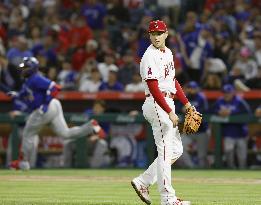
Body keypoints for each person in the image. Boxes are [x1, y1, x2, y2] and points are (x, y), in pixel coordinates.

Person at [131, 20, 194, 205]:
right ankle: (168, 199)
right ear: (149, 35)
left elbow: (172, 81)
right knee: (166, 151)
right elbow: (154, 87)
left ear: (166, 34)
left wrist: (187, 103)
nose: (156, 37)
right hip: (157, 103)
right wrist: (169, 111)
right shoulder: (149, 56)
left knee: (176, 150)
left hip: (168, 101)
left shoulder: (168, 53)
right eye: (153, 33)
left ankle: (143, 181)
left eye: (159, 33)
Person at [8, 57, 105, 170]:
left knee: (27, 134)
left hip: (44, 108)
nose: (23, 70)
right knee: (66, 134)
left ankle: (23, 162)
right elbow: (25, 93)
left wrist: (45, 103)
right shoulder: (28, 81)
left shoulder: (36, 78)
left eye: (25, 67)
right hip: (53, 106)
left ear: (32, 68)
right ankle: (91, 126)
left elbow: (55, 87)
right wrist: (16, 95)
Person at [212, 84, 251, 169]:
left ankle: (243, 172)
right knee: (228, 153)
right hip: (228, 133)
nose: (226, 94)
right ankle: (231, 171)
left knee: (242, 157)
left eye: (228, 92)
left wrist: (232, 113)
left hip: (241, 133)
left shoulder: (239, 101)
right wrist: (219, 112)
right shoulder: (220, 101)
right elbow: (211, 110)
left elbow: (248, 114)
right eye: (225, 92)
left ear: (233, 92)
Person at [179, 81, 209, 168]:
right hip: (189, 131)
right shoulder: (185, 98)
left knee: (201, 156)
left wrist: (191, 110)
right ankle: (191, 167)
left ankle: (202, 172)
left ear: (197, 89)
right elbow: (177, 109)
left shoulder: (201, 98)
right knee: (179, 148)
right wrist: (182, 109)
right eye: (190, 88)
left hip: (201, 130)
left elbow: (205, 111)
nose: (191, 90)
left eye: (193, 88)